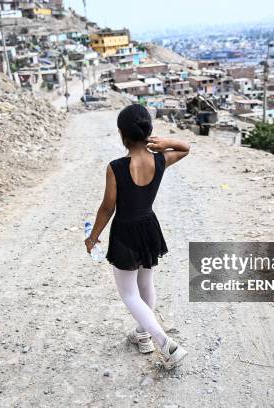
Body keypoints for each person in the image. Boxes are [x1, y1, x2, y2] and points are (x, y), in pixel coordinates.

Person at [85, 104, 190, 369]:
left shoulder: (117, 168)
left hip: (126, 232)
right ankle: (143, 334)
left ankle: (165, 343)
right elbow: (185, 148)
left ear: (122, 134)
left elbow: (108, 207)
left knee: (129, 293)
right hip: (149, 227)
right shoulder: (160, 159)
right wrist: (167, 142)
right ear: (149, 132)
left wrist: (93, 237)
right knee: (146, 283)